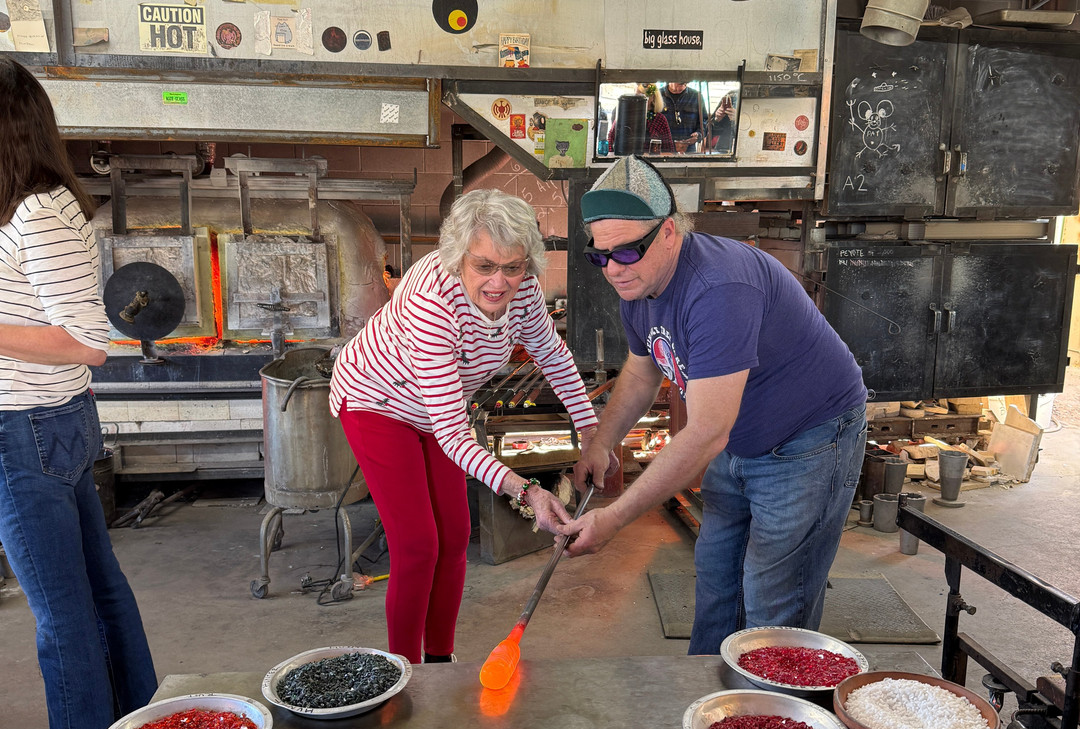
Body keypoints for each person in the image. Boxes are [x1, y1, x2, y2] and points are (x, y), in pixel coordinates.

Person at [560, 155, 867, 654]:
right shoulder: (637, 283)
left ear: (669, 233)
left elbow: (705, 432)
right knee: (718, 576)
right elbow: (642, 370)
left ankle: (771, 723)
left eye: (627, 252)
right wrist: (601, 442)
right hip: (740, 439)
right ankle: (710, 708)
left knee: (773, 600)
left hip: (809, 439)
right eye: (600, 255)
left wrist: (614, 518)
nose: (613, 269)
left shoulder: (718, 288)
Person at [330, 189, 600, 665]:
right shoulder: (433, 301)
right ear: (459, 260)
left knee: (453, 535)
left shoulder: (525, 291)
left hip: (439, 408)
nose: (500, 283)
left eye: (513, 267)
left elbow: (552, 354)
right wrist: (527, 490)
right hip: (378, 401)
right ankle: (404, 671)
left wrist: (592, 434)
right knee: (417, 545)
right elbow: (455, 436)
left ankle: (439, 659)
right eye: (484, 267)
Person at [0, 56, 158, 729]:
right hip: (42, 422)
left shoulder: (37, 210)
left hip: (26, 428)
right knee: (96, 595)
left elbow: (90, 340)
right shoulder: (28, 205)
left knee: (62, 616)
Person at [660, 82, 705, 153]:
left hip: (688, 151)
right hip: (662, 150)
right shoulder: (658, 95)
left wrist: (698, 134)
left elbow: (704, 122)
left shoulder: (696, 96)